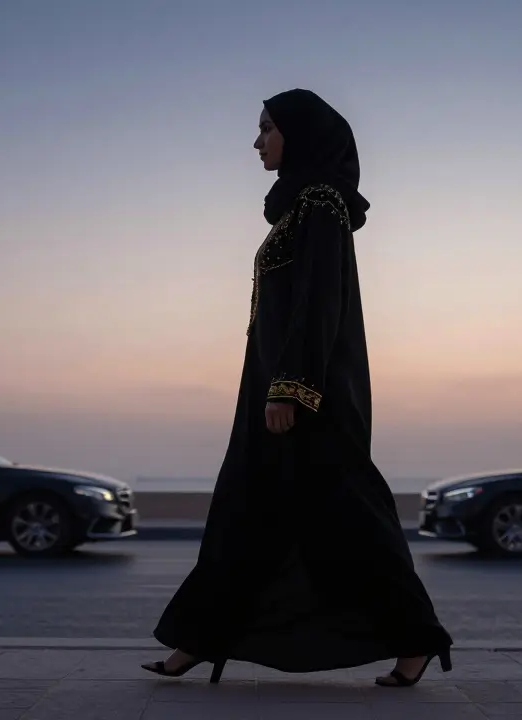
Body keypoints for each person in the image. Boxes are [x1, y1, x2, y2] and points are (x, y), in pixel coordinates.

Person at [142, 88, 453, 688]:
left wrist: (292, 388)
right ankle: (196, 638)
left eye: (267, 129)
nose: (257, 142)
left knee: (349, 516)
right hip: (269, 389)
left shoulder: (321, 205)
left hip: (310, 398)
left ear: (301, 135)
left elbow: (320, 304)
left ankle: (415, 639)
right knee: (245, 509)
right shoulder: (299, 207)